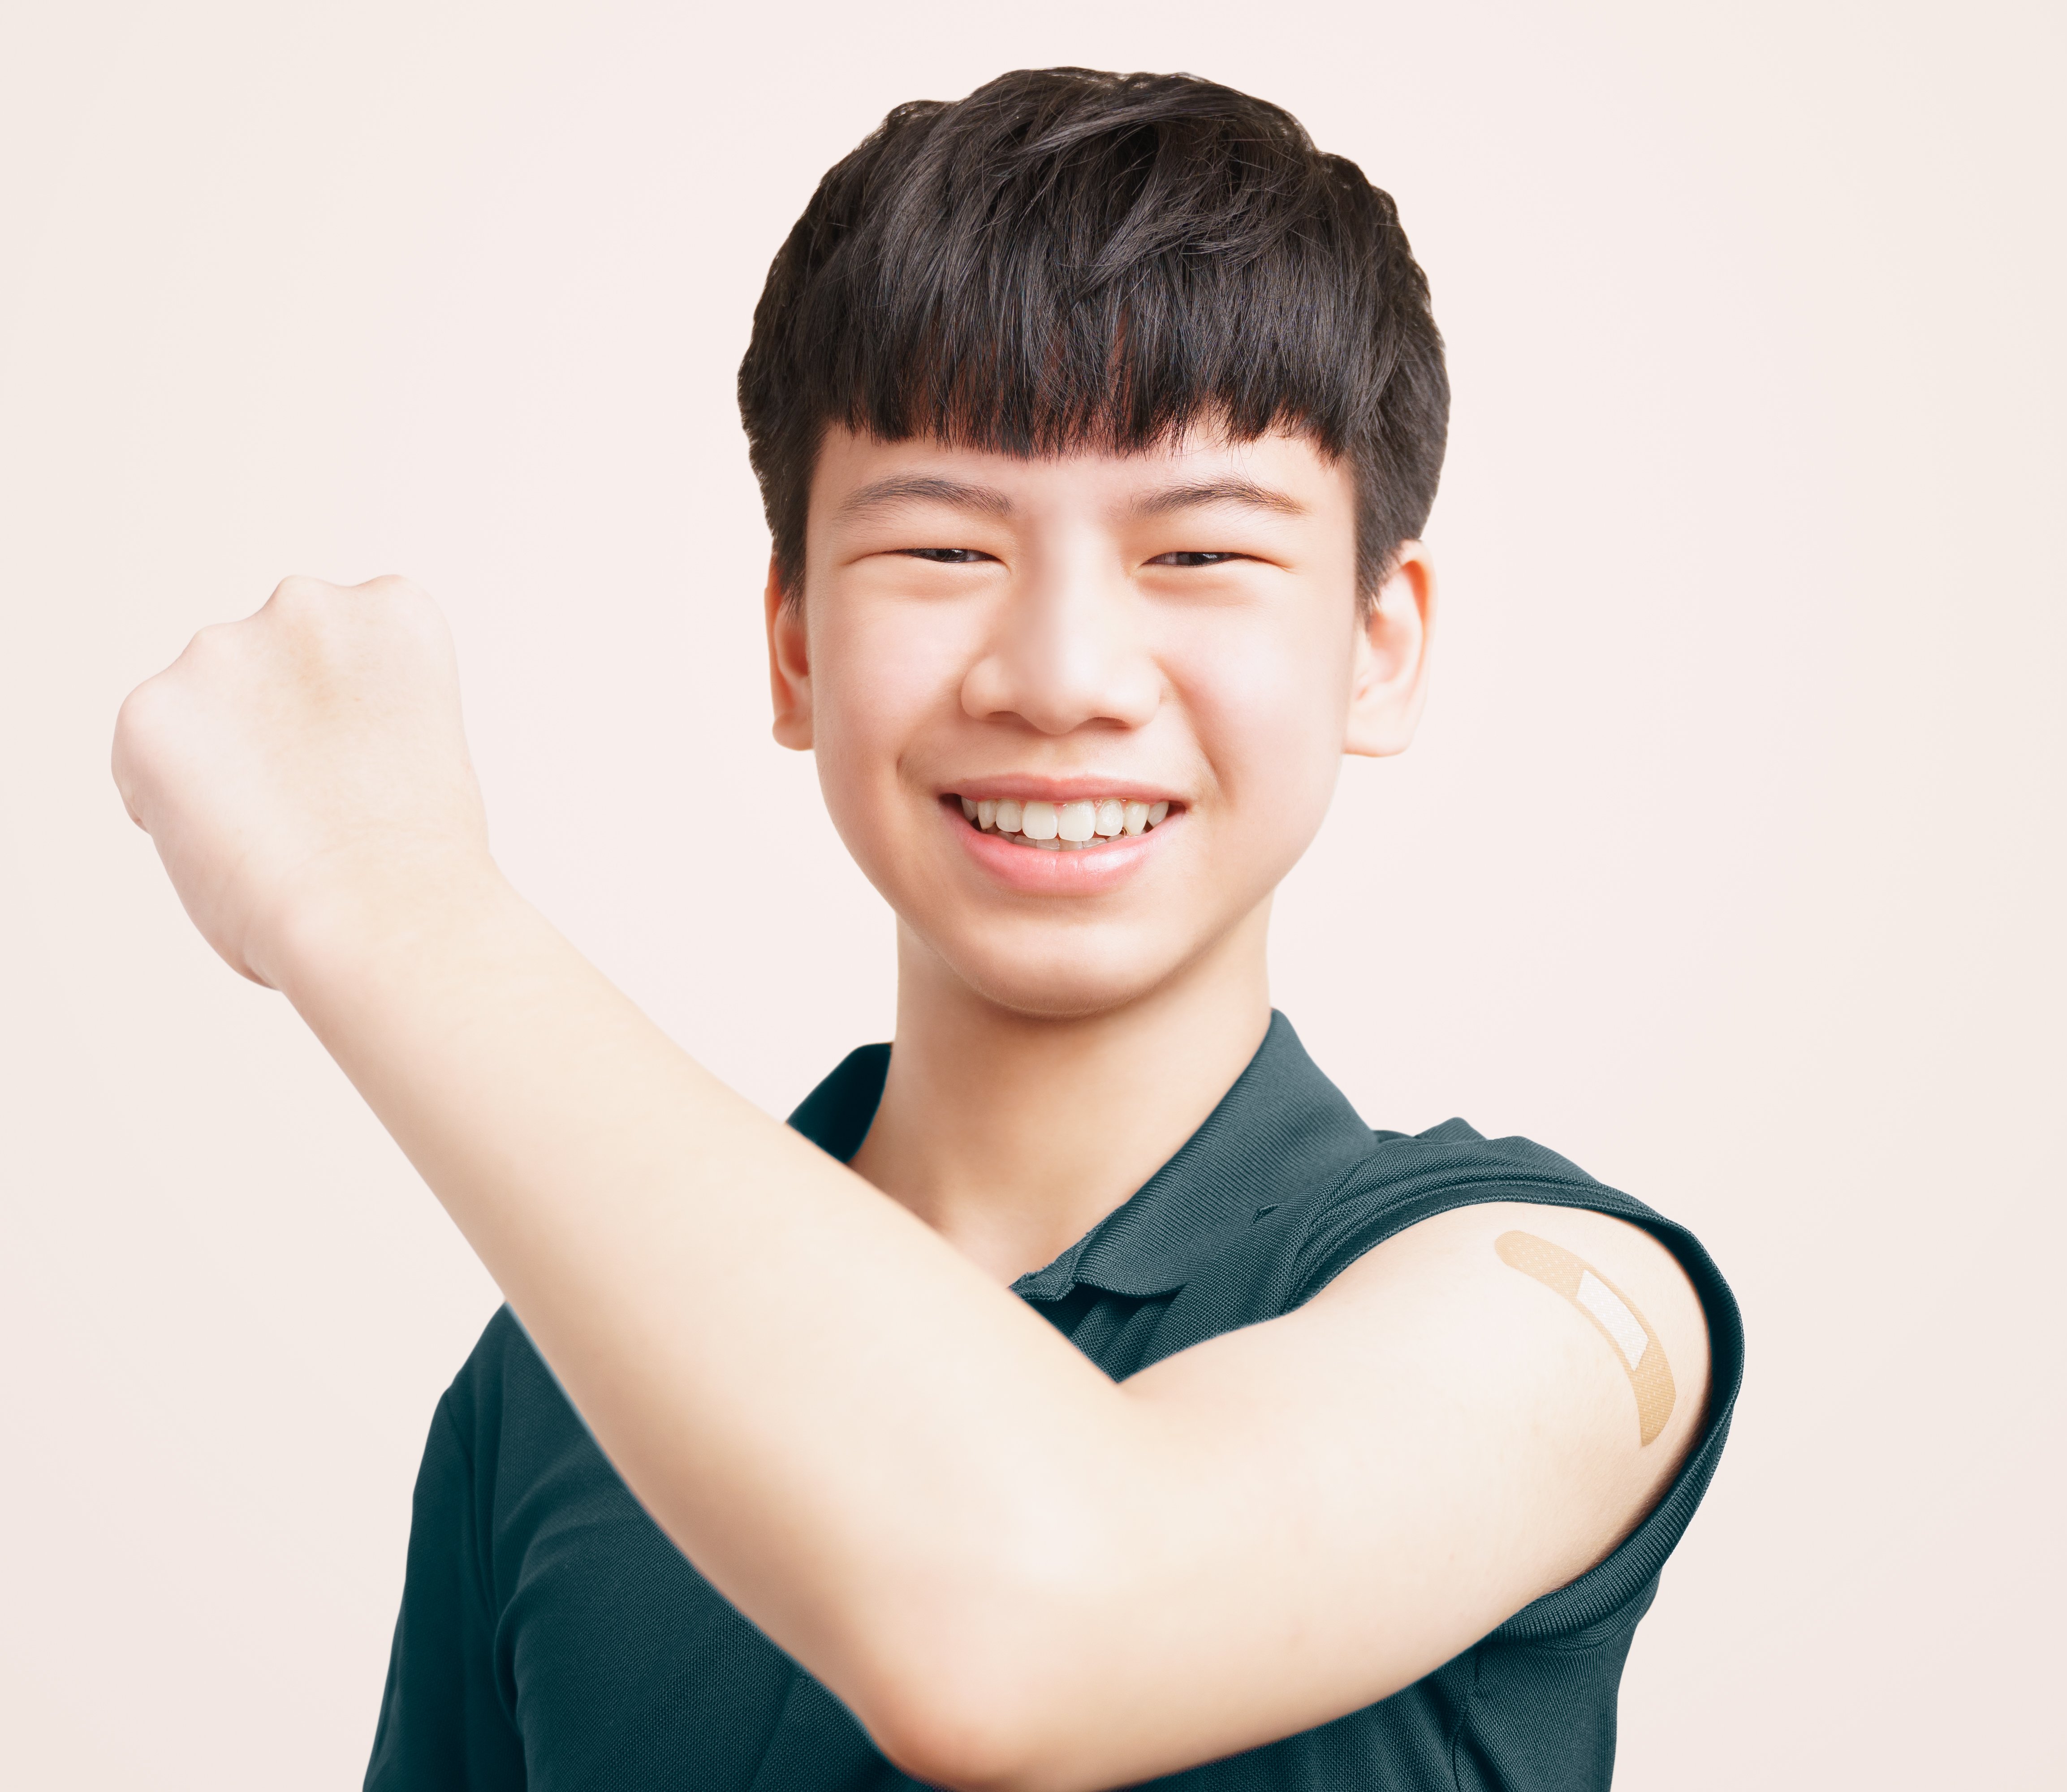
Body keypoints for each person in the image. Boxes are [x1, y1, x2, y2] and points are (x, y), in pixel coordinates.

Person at [109, 67, 1740, 1792]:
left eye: (1199, 555)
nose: (1060, 677)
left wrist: (383, 894)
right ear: (795, 645)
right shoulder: (552, 1389)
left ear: (1380, 645)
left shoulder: (1557, 1307)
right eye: (948, 549)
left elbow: (1031, 1622)